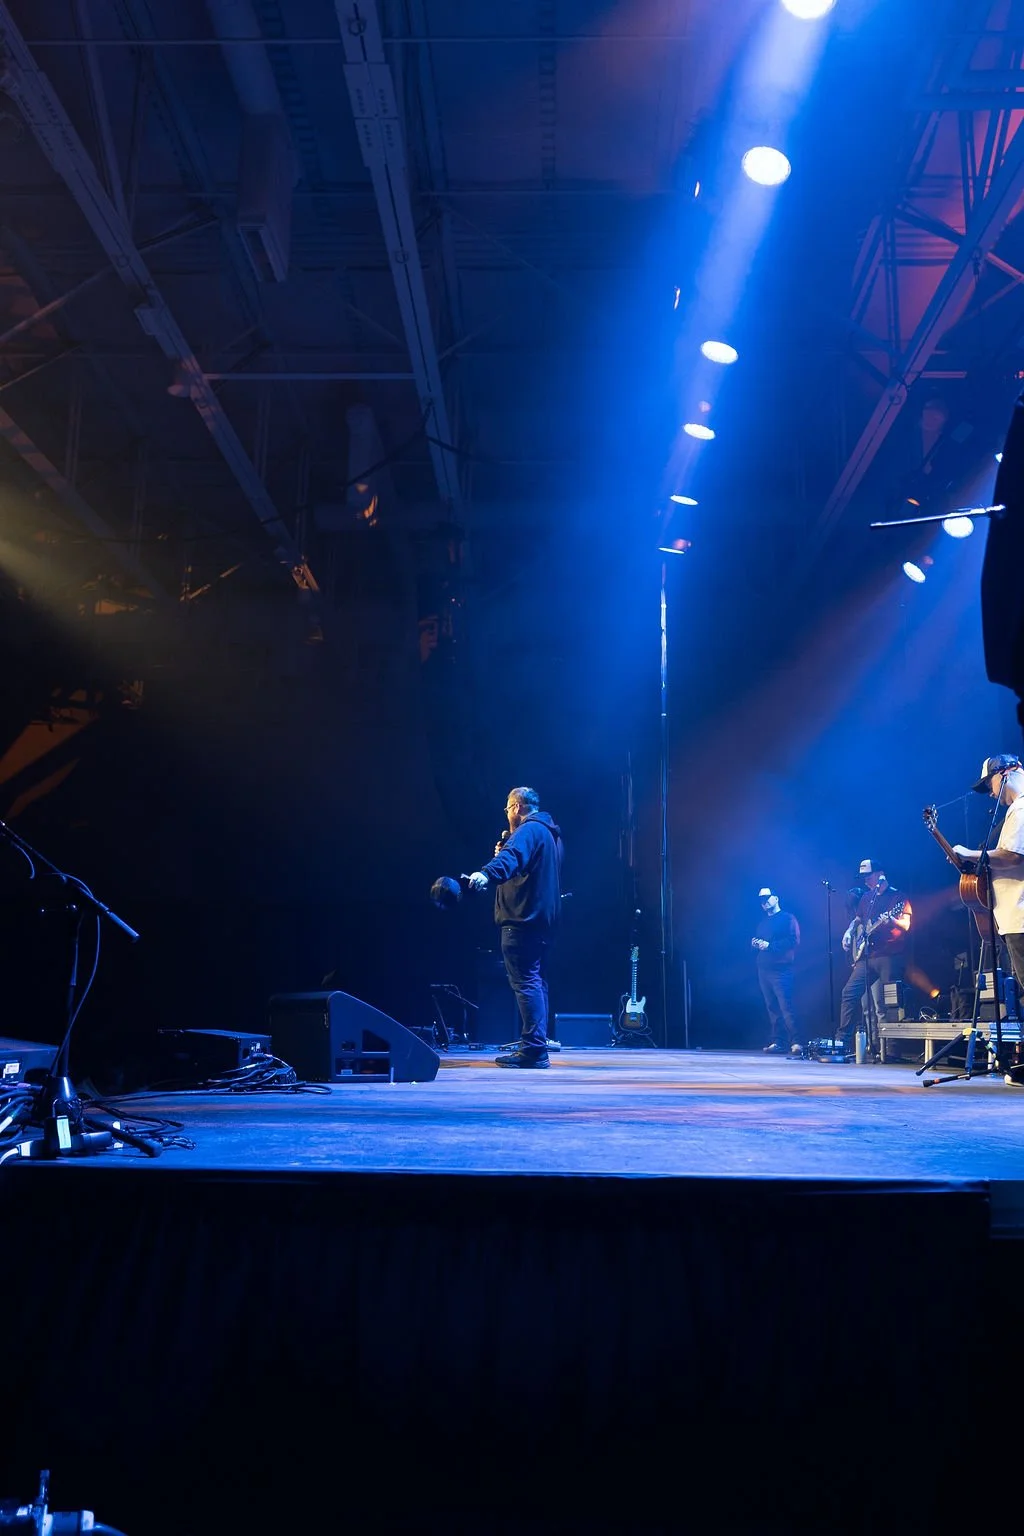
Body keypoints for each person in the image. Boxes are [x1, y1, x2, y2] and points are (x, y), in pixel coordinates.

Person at [464, 787, 563, 1068]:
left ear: (517, 807)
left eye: (508, 809)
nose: (507, 814)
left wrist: (486, 873)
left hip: (523, 919)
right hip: (544, 921)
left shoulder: (528, 830)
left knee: (526, 982)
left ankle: (533, 1051)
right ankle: (537, 1044)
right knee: (537, 982)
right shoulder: (550, 833)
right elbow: (527, 865)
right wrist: (508, 852)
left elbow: (512, 858)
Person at [952, 754, 1024, 998]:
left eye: (988, 785)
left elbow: (1013, 856)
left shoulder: (1021, 808)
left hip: (1020, 919)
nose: (991, 794)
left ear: (1004, 773)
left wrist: (970, 854)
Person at [837, 860, 912, 1056]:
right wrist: (849, 931)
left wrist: (891, 920)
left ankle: (891, 1049)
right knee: (849, 993)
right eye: (863, 877)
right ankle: (841, 1041)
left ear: (880, 874)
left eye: (868, 876)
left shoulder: (898, 896)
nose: (865, 881)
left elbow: (906, 925)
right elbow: (859, 920)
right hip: (868, 955)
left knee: (888, 1002)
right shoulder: (866, 898)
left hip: (889, 955)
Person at [751, 887, 802, 1056]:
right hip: (764, 969)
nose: (764, 902)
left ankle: (797, 1042)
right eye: (761, 900)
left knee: (786, 1006)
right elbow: (763, 942)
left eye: (767, 898)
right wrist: (756, 944)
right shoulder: (762, 923)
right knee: (772, 1007)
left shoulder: (787, 918)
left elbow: (793, 940)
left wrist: (770, 946)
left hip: (781, 970)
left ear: (776, 898)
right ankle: (779, 1041)